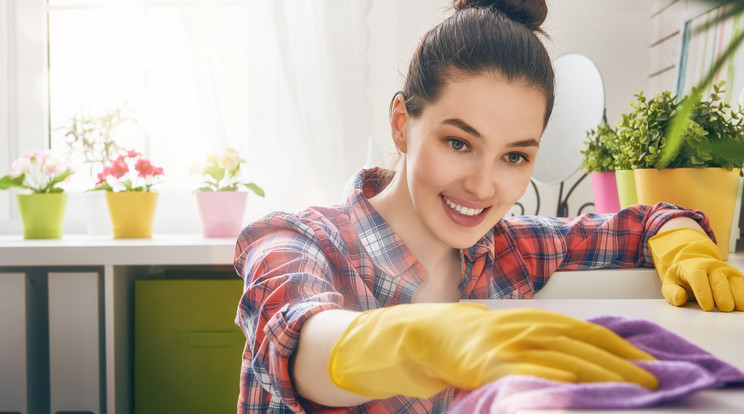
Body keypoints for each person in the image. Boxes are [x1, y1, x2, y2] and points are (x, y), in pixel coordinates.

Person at [233, 0, 744, 412]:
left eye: (514, 156)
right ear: (401, 124)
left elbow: (642, 222)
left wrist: (682, 241)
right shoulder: (295, 241)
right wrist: (420, 340)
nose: (483, 186)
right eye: (459, 142)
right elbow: (300, 343)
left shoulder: (510, 251)